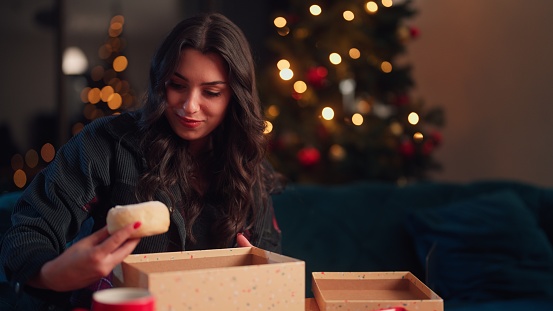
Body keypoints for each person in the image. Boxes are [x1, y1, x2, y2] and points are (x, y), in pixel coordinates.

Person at [0, 12, 283, 310]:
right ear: (161, 82)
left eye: (211, 92)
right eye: (177, 85)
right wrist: (55, 275)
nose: (190, 106)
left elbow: (274, 268)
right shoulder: (108, 141)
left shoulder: (251, 168)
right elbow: (24, 237)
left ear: (235, 98)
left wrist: (263, 275)